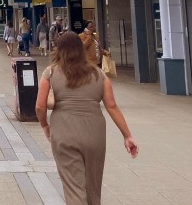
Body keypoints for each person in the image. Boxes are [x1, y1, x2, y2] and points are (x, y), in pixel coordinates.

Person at [37, 31, 138, 204]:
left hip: (64, 133)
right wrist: (127, 135)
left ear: (59, 50)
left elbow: (39, 106)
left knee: (74, 187)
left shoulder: (50, 73)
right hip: (95, 134)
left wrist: (45, 126)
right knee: (93, 186)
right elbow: (111, 106)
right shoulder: (99, 74)